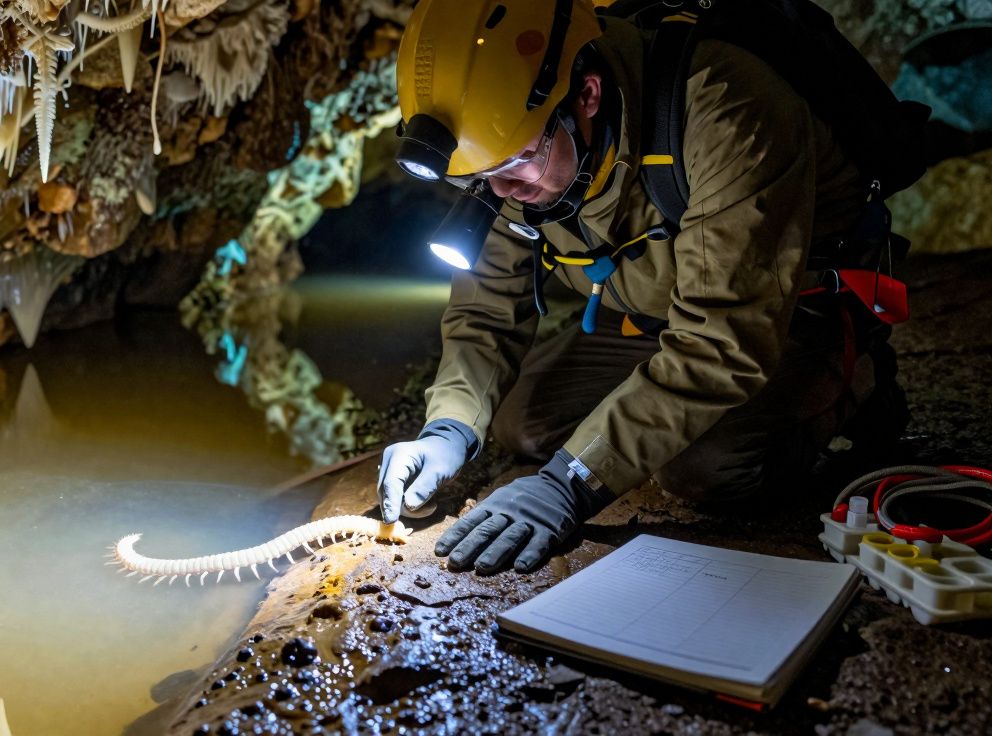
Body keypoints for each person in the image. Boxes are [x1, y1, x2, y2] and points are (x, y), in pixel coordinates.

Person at [377, 0, 909, 574]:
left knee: (703, 469)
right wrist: (447, 430)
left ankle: (854, 383)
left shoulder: (727, 109)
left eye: (516, 163)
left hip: (783, 319)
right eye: (479, 177)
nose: (503, 191)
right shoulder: (520, 158)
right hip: (654, 320)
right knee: (518, 422)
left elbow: (720, 343)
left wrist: (570, 482)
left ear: (586, 95)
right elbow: (485, 314)